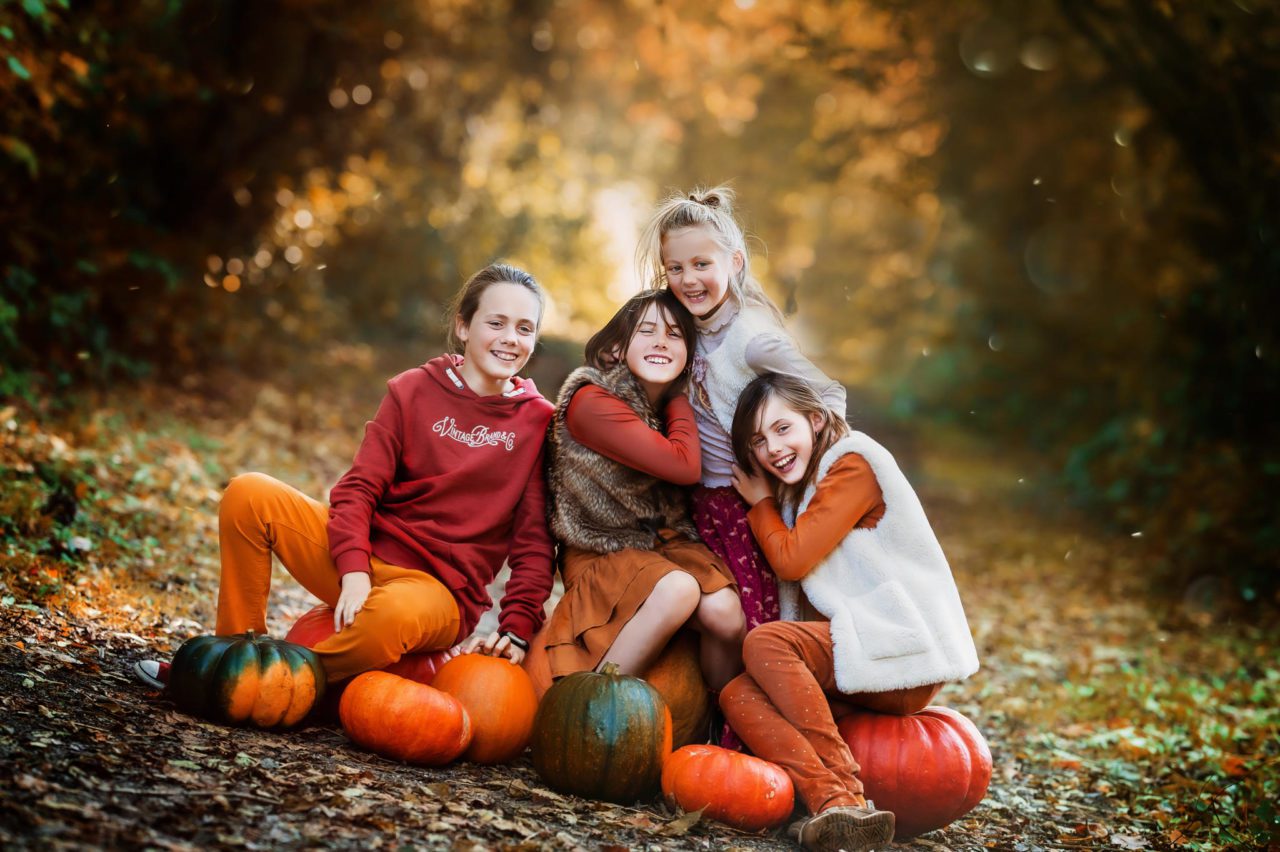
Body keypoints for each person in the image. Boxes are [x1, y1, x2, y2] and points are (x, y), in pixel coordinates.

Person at [134, 263, 556, 688]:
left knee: (389, 619)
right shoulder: (413, 390)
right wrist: (354, 569)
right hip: (366, 562)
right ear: (464, 326)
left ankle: (262, 687)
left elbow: (534, 542)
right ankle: (229, 656)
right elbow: (359, 488)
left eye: (524, 328)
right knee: (248, 494)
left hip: (435, 595)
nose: (510, 339)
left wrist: (517, 628)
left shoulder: (539, 423)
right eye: (496, 322)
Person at [720, 373, 980, 852]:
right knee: (738, 694)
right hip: (865, 653)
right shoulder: (801, 491)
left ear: (816, 420)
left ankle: (843, 794)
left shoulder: (853, 464)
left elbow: (793, 558)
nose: (773, 448)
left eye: (783, 428)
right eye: (758, 440)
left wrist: (759, 505)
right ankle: (830, 806)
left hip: (901, 649)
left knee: (767, 643)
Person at [636, 185, 846, 634]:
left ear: (733, 262)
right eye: (675, 268)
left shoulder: (751, 338)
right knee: (708, 612)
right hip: (699, 500)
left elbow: (827, 394)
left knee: (760, 617)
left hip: (747, 502)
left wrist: (812, 473)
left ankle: (761, 693)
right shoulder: (687, 325)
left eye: (701, 265)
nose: (688, 279)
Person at [542, 289, 746, 690]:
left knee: (726, 613)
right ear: (617, 347)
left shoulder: (662, 407)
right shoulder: (591, 402)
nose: (660, 342)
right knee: (678, 589)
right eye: (647, 331)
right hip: (603, 550)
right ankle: (590, 703)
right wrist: (679, 396)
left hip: (663, 546)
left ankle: (718, 733)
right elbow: (684, 466)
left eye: (674, 335)